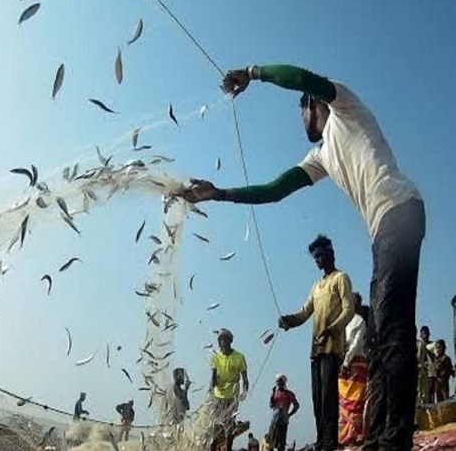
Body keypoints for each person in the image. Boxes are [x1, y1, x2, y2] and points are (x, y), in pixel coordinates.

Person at [173, 63, 425, 451]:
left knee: (392, 331)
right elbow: (275, 189)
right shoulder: (320, 156)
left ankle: (395, 438)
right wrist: (218, 193)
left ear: (312, 104)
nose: (300, 118)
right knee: (381, 337)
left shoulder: (344, 107)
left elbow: (303, 78)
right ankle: (379, 436)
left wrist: (253, 73)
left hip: (399, 211)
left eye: (300, 110)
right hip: (382, 230)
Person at [278, 235, 354, 451]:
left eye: (320, 256)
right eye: (315, 258)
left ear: (330, 254)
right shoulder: (316, 287)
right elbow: (305, 313)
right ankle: (322, 440)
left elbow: (349, 310)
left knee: (329, 397)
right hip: (316, 349)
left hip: (332, 347)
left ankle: (331, 442)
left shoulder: (341, 278)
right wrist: (289, 321)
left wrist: (333, 328)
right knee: (317, 398)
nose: (318, 261)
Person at [209, 328, 249, 451]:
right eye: (220, 340)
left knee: (229, 427)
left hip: (232, 396)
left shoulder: (239, 357)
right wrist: (210, 391)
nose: (221, 343)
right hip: (218, 395)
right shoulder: (215, 356)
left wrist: (244, 391)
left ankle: (229, 448)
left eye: (224, 340)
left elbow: (245, 379)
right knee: (214, 427)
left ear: (229, 341)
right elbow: (213, 378)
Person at [339, 293, 368, 447]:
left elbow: (356, 345)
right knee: (344, 403)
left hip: (356, 364)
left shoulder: (360, 321)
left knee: (355, 402)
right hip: (344, 366)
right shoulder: (344, 322)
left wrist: (346, 362)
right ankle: (345, 436)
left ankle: (355, 434)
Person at [268, 374, 300, 451]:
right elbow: (271, 405)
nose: (279, 383)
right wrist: (272, 393)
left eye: (280, 381)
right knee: (271, 442)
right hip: (274, 420)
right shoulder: (275, 393)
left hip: (283, 420)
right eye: (278, 382)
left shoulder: (289, 394)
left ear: (284, 382)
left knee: (281, 443)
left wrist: (289, 414)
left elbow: (296, 405)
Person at [417, 326, 436, 405]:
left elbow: (435, 357)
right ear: (420, 334)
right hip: (418, 370)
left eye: (427, 333)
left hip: (429, 372)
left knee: (428, 392)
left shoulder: (432, 345)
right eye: (424, 333)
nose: (425, 335)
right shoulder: (417, 344)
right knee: (418, 390)